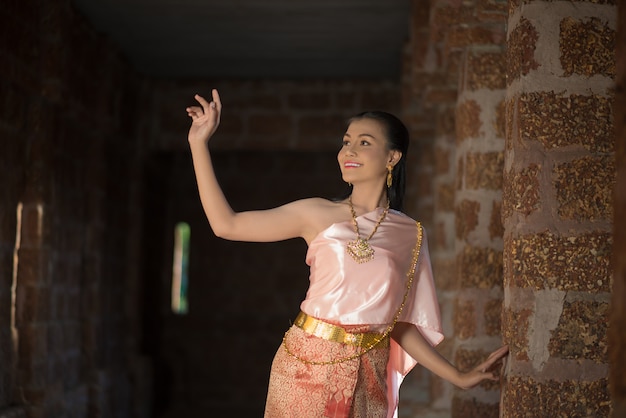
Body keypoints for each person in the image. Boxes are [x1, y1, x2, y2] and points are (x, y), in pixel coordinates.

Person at [186, 89, 509, 418]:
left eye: (364, 142)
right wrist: (199, 144)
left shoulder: (411, 234)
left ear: (392, 157)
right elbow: (226, 225)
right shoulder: (316, 213)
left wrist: (459, 376)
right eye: (346, 141)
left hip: (370, 372)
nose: (348, 150)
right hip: (306, 364)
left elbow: (397, 323)